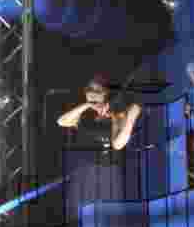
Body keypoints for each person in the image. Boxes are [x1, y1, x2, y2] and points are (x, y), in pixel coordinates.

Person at [57, 75, 142, 215]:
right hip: (85, 171)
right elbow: (62, 121)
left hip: (109, 170)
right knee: (84, 215)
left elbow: (118, 143)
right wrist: (87, 105)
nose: (92, 92)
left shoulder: (115, 114)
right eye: (89, 89)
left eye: (97, 90)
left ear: (105, 94)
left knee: (110, 215)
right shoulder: (84, 117)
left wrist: (130, 116)